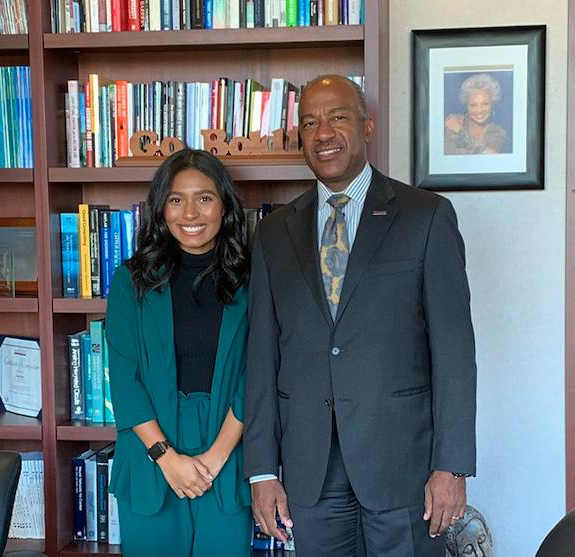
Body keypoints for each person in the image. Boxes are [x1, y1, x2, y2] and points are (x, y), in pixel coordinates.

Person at [244, 75, 477, 557]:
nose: (324, 132)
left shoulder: (425, 216)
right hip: (310, 469)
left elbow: (454, 352)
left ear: (367, 125)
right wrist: (263, 470)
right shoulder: (272, 235)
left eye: (338, 117)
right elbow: (262, 360)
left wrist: (451, 467)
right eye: (310, 122)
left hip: (403, 466)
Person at [105, 148, 252, 557]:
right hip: (151, 455)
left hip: (225, 453)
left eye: (204, 197)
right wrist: (166, 457)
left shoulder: (253, 279)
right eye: (175, 199)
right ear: (160, 209)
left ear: (224, 206)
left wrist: (217, 457)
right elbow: (125, 379)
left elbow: (257, 374)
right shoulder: (130, 281)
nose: (190, 212)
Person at [444, 73, 508, 155]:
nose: (479, 110)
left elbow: (489, 156)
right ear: (466, 105)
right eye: (473, 105)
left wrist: (460, 131)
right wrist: (482, 150)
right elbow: (448, 153)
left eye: (485, 104)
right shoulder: (456, 121)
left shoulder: (499, 133)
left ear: (493, 104)